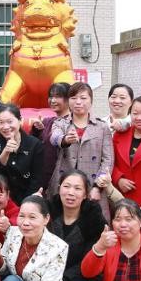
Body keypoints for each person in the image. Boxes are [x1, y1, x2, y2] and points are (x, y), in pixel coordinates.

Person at [48, 170, 106, 281]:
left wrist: (65, 276)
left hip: (84, 271)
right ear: (59, 188)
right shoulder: (50, 207)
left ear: (85, 194)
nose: (71, 193)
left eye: (77, 188)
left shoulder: (92, 214)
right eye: (66, 186)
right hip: (54, 269)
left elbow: (90, 255)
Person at [48, 82, 114, 218]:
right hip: (64, 186)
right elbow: (54, 138)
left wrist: (98, 187)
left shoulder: (102, 127)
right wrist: (65, 139)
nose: (78, 102)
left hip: (93, 186)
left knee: (94, 223)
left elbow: (108, 160)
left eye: (83, 98)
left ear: (91, 101)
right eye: (73, 98)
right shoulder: (60, 123)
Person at [0, 102, 43, 205]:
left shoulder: (34, 144)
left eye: (10, 122)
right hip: (2, 202)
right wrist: (6, 152)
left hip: (28, 202)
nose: (5, 127)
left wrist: (26, 203)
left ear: (20, 120)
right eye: (1, 122)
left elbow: (37, 179)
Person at [32, 82, 70, 193]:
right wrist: (36, 130)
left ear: (69, 99)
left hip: (64, 178)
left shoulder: (73, 123)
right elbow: (34, 146)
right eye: (51, 96)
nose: (53, 100)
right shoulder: (47, 121)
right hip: (45, 178)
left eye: (58, 96)